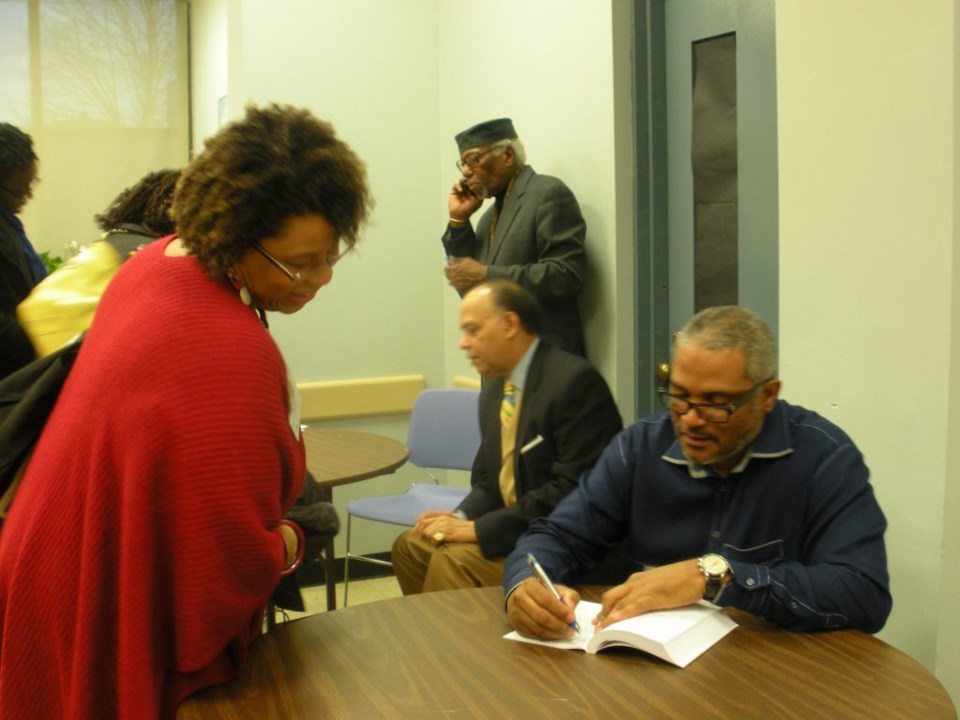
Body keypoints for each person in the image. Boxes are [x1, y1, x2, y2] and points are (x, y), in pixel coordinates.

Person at [0, 104, 372, 720]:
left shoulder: (154, 264)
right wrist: (290, 540)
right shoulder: (230, 348)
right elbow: (217, 575)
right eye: (300, 263)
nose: (321, 278)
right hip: (96, 600)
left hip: (52, 569)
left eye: (331, 255)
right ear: (231, 232)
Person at [504, 306, 891, 640]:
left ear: (767, 395)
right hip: (646, 668)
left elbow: (864, 594)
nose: (690, 419)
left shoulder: (824, 459)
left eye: (716, 403)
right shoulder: (641, 447)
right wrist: (524, 582)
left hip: (773, 674)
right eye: (679, 396)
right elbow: (555, 536)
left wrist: (718, 576)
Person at [392, 279, 621, 593]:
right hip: (518, 532)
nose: (463, 343)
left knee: (454, 561)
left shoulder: (574, 382)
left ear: (510, 324)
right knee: (411, 546)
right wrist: (459, 515)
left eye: (473, 330)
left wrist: (478, 530)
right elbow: (489, 482)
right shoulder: (497, 389)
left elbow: (572, 491)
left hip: (569, 546)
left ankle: (451, 641)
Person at [442, 118, 588, 356]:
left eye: (474, 160)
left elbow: (566, 275)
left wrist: (488, 275)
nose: (466, 172)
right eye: (463, 164)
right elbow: (470, 288)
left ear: (508, 155)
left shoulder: (546, 193)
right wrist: (458, 222)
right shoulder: (487, 217)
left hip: (545, 362)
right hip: (499, 363)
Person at [0, 123, 46, 378]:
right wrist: (43, 339)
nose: (27, 197)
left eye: (32, 185)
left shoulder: (8, 223)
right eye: (19, 192)